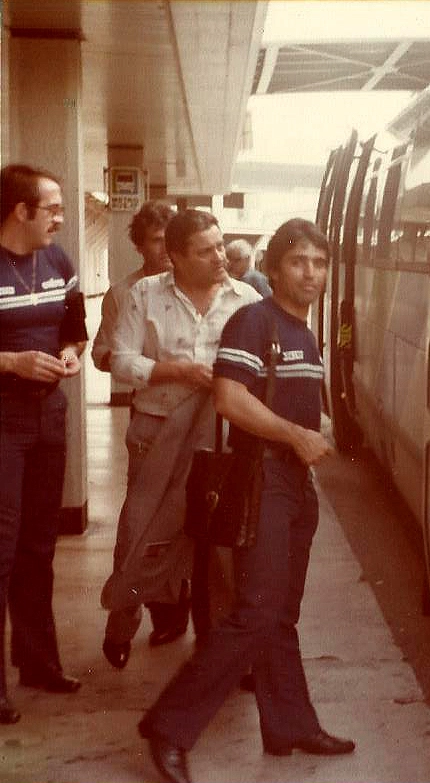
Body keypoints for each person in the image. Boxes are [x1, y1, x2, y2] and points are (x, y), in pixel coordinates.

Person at [138, 218, 353, 783]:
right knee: (255, 611)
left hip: (294, 484)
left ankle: (289, 724)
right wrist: (297, 434)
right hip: (263, 481)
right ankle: (170, 725)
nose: (311, 273)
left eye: (319, 263)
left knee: (280, 613)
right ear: (275, 268)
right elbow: (231, 399)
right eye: (298, 262)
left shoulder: (303, 331)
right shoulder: (254, 320)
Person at [101, 210, 261, 671]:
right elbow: (120, 360)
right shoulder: (144, 295)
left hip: (222, 434)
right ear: (175, 258)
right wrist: (178, 372)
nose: (219, 256)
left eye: (220, 244)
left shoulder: (244, 299)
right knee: (142, 527)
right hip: (157, 430)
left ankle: (226, 651)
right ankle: (121, 621)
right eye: (205, 250)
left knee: (221, 543)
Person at [0, 163, 89, 725]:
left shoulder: (58, 261)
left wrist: (71, 354)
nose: (61, 216)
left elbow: (73, 328)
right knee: (0, 550)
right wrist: (9, 360)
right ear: (20, 211)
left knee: (38, 546)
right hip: (2, 423)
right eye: (52, 207)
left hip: (49, 419)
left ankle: (37, 663)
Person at [91, 200, 176, 373]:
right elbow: (100, 353)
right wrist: (132, 359)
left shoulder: (195, 288)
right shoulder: (121, 293)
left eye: (171, 240)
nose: (166, 248)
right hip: (145, 394)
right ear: (139, 247)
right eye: (157, 240)